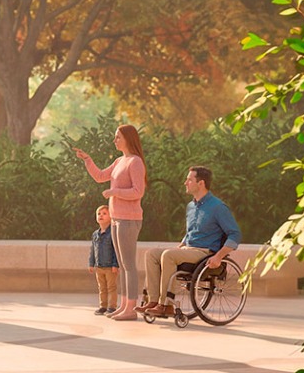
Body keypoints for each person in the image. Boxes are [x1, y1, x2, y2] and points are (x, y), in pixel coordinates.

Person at [74, 124, 146, 321]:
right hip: (116, 219)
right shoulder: (119, 161)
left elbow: (138, 191)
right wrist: (87, 159)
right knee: (122, 266)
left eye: (117, 137)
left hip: (129, 220)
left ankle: (131, 308)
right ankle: (124, 305)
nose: (115, 140)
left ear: (128, 139)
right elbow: (99, 177)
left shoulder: (135, 162)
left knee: (129, 265)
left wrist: (114, 192)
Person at [156, 165, 243, 314]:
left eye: (189, 179)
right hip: (188, 249)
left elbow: (235, 234)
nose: (185, 182)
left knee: (168, 255)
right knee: (151, 254)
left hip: (204, 252)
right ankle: (152, 301)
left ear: (201, 183)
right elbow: (191, 232)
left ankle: (166, 304)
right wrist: (181, 246)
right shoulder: (190, 206)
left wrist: (219, 256)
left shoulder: (218, 207)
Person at [86, 204, 118, 315]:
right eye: (99, 214)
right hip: (99, 266)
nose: (101, 216)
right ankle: (102, 306)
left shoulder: (112, 232)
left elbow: (115, 250)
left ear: (111, 216)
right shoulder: (95, 234)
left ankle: (112, 307)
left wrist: (115, 264)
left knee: (111, 287)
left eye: (104, 213)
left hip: (110, 266)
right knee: (102, 288)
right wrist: (91, 263)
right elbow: (93, 250)